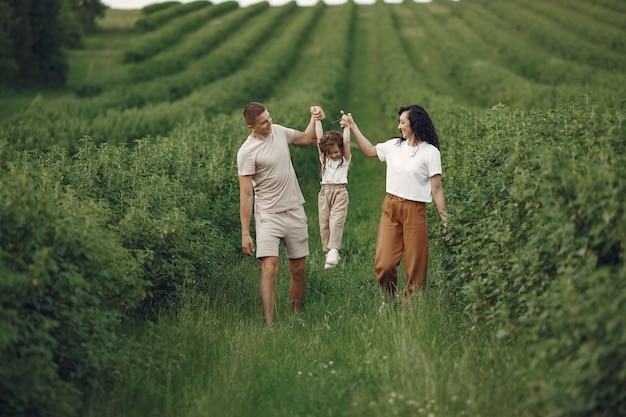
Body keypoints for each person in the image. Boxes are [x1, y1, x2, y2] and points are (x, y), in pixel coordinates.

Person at [341, 105, 447, 303]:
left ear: (414, 124)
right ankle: (390, 299)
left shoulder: (430, 153)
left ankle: (410, 311)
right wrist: (353, 127)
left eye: (402, 122)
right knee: (384, 264)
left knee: (415, 267)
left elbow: (437, 189)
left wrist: (445, 221)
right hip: (391, 208)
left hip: (415, 210)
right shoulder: (393, 146)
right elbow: (370, 151)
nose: (399, 127)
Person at [237, 102, 325, 325]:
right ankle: (269, 325)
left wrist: (315, 118)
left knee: (299, 269)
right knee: (270, 267)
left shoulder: (278, 131)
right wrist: (245, 233)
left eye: (269, 118)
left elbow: (308, 138)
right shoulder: (247, 153)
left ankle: (295, 317)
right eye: (264, 122)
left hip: (294, 209)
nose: (269, 123)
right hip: (268, 215)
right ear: (251, 127)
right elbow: (246, 194)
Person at [315, 112, 352, 270]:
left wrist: (346, 125)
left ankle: (334, 250)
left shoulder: (344, 159)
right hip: (324, 192)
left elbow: (348, 141)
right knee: (324, 222)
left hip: (339, 192)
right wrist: (317, 120)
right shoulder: (325, 158)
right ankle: (329, 251)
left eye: (337, 152)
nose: (334, 155)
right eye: (330, 153)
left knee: (335, 221)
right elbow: (318, 139)